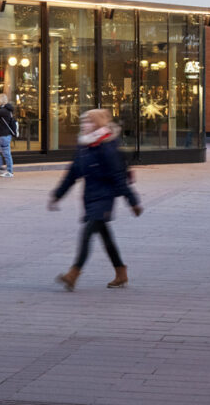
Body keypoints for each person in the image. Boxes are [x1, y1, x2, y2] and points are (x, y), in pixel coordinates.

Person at [48, 108, 143, 290]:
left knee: (87, 233)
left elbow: (118, 177)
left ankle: (73, 274)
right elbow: (72, 174)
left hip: (105, 197)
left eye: (88, 122)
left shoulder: (108, 146)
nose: (84, 125)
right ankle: (121, 272)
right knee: (106, 237)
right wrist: (57, 195)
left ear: (98, 124)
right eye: (83, 122)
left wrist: (133, 201)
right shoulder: (84, 146)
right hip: (90, 197)